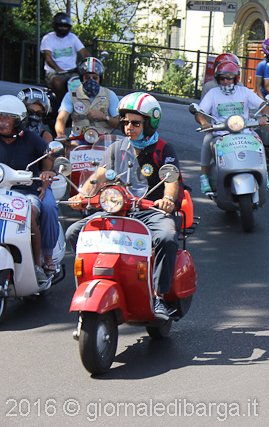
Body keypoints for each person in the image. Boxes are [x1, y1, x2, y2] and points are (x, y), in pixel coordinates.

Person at [66, 92, 186, 320]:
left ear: (149, 124)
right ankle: (93, 280)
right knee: (74, 232)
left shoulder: (163, 149)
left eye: (135, 123)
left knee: (167, 237)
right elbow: (97, 178)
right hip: (118, 208)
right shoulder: (116, 148)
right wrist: (81, 196)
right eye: (126, 122)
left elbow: (171, 181)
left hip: (151, 211)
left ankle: (159, 295)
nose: (129, 127)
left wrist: (168, 201)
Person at [0, 96, 59, 282]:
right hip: (1, 191)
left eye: (7, 118)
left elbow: (49, 155)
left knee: (30, 215)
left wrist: (47, 173)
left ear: (18, 121)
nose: (2, 122)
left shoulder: (31, 138)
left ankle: (38, 265)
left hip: (25, 192)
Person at [195, 60, 269, 193]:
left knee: (259, 142)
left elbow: (263, 105)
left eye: (229, 78)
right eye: (222, 78)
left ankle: (264, 172)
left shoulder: (244, 92)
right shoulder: (213, 93)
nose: (226, 81)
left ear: (236, 78)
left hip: (244, 131)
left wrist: (265, 116)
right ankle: (204, 177)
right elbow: (199, 112)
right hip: (220, 133)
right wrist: (204, 123)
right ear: (218, 79)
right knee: (207, 141)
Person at [54, 57, 119, 150]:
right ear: (82, 78)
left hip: (103, 140)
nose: (91, 80)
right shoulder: (71, 95)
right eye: (87, 77)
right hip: (79, 139)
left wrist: (105, 117)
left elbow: (119, 124)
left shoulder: (109, 95)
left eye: (95, 78)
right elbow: (61, 118)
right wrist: (60, 134)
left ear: (100, 78)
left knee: (112, 155)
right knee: (70, 150)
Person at [40, 12, 89, 105]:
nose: (63, 28)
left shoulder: (73, 37)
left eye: (65, 26)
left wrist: (93, 62)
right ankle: (63, 105)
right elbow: (48, 58)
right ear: (55, 26)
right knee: (57, 82)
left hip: (72, 72)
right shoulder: (48, 38)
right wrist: (58, 69)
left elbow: (84, 52)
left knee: (84, 83)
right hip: (54, 72)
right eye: (60, 26)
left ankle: (83, 106)